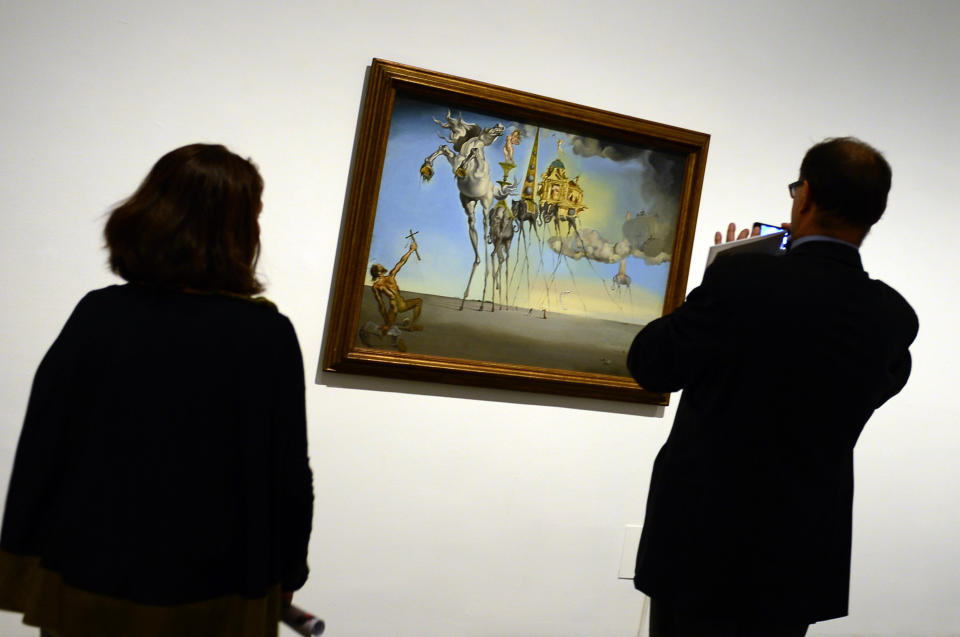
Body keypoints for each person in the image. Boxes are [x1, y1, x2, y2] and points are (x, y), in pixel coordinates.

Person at [0, 144, 314, 637]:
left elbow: (43, 444)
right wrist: (290, 574)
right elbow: (289, 474)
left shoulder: (99, 316)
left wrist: (19, 553)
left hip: (89, 578)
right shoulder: (264, 335)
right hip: (215, 591)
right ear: (237, 229)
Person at [627, 137, 918, 636]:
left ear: (803, 195)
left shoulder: (739, 278)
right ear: (876, 214)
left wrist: (716, 276)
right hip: (798, 559)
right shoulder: (892, 318)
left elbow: (651, 364)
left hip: (699, 547)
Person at [370, 241, 423, 334]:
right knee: (386, 330)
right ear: (378, 272)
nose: (381, 265)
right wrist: (386, 320)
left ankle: (410, 325)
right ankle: (407, 325)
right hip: (395, 307)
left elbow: (401, 262)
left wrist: (411, 251)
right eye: (379, 266)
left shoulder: (389, 277)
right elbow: (381, 304)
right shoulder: (383, 281)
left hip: (400, 305)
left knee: (419, 301)